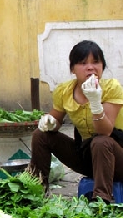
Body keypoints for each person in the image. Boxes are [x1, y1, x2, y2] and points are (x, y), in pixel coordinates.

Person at [29, 40, 123, 203]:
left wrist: (95, 102)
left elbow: (105, 132)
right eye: (82, 63)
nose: (90, 67)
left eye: (96, 62)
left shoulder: (111, 88)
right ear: (73, 68)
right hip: (88, 158)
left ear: (102, 66)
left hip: (117, 158)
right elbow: (55, 120)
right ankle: (36, 192)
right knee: (41, 135)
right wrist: (49, 122)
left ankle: (101, 202)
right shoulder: (65, 91)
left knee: (101, 142)